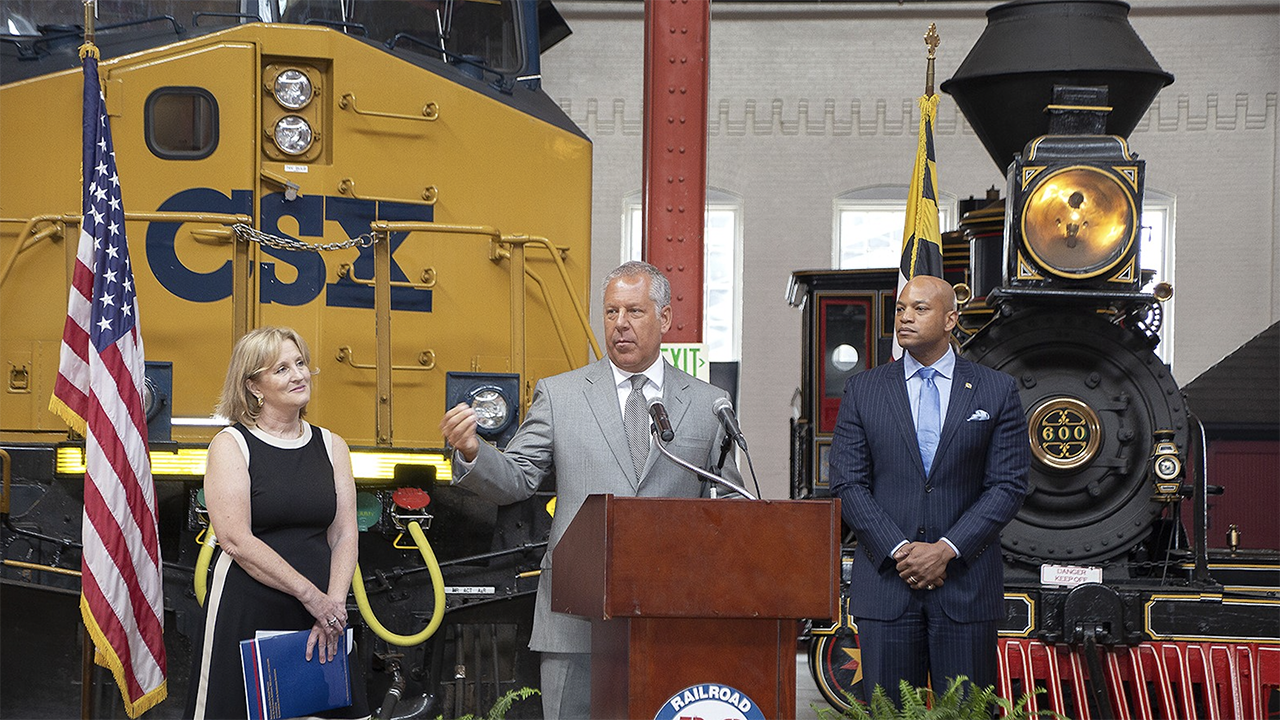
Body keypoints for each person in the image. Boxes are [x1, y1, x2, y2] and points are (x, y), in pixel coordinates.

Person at [440, 261, 742, 719]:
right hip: (575, 620)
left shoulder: (707, 403)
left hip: (670, 619)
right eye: (611, 311)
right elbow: (518, 476)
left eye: (634, 311)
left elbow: (732, 502)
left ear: (664, 318)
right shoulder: (560, 395)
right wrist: (472, 452)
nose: (620, 323)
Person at [829, 275, 1029, 702]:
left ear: (950, 319)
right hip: (886, 585)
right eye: (901, 308)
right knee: (889, 712)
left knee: (966, 712)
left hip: (965, 586)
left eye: (920, 309)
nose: (905, 317)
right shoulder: (864, 389)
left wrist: (946, 550)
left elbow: (1008, 485)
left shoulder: (996, 390)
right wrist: (900, 550)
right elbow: (847, 482)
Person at [186, 327, 369, 720]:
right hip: (250, 607)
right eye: (282, 369)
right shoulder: (230, 445)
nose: (299, 375)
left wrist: (333, 606)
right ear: (254, 386)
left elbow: (344, 533)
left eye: (300, 363)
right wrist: (311, 597)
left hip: (322, 611)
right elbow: (235, 540)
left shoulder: (332, 445)